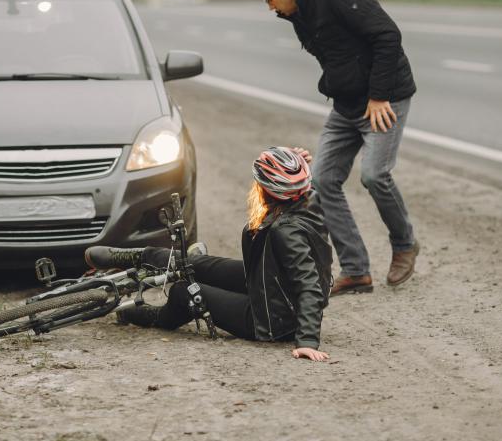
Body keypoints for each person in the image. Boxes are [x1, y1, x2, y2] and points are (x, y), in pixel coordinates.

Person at [258, 0, 420, 294]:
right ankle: (356, 270)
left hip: (382, 100)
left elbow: (387, 35)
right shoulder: (298, 12)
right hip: (346, 106)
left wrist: (378, 95)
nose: (269, 7)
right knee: (322, 181)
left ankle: (404, 243)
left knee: (375, 175)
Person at [85, 147, 334, 361]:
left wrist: (307, 341)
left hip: (271, 318)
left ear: (270, 190)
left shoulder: (287, 232)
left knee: (185, 291)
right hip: (268, 283)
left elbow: (309, 284)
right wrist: (290, 165)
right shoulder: (307, 197)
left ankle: (155, 316)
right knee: (195, 263)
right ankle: (136, 256)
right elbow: (294, 182)